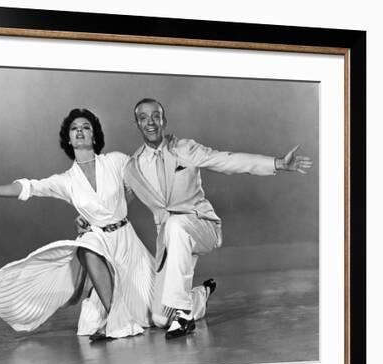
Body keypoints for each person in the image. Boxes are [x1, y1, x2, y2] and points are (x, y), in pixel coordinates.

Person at [0, 108, 159, 341]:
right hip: (99, 240)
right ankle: (118, 320)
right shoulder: (65, 181)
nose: (80, 131)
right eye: (74, 129)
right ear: (69, 139)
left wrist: (115, 211)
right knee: (86, 246)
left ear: (94, 136)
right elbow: (28, 187)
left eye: (86, 127)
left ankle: (192, 297)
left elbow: (138, 185)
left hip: (127, 242)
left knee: (159, 314)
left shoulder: (116, 161)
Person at [124, 98, 313, 339]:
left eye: (155, 116)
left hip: (202, 226)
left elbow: (227, 159)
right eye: (143, 117)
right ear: (137, 124)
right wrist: (86, 220)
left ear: (164, 120)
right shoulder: (133, 167)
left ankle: (183, 315)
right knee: (160, 319)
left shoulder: (184, 149)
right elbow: (116, 203)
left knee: (176, 224)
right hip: (171, 242)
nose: (150, 122)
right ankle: (200, 295)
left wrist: (276, 163)